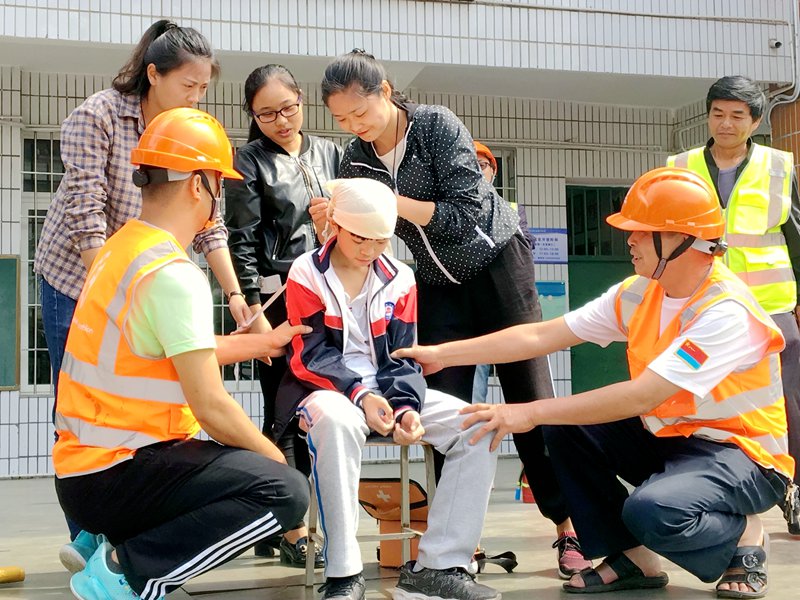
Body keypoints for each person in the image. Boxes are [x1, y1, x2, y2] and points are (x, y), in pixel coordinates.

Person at [395, 167, 794, 598]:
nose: (630, 240)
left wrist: (527, 412)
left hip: (742, 454)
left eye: (641, 231)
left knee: (654, 511)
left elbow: (644, 395)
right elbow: (540, 334)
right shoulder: (639, 292)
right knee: (564, 427)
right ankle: (634, 558)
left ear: (680, 238)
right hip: (671, 437)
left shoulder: (725, 311)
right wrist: (441, 354)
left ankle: (742, 536)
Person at [316, 49, 590, 578]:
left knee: (529, 396)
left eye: (361, 113)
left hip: (496, 266)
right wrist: (337, 221)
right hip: (437, 284)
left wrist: (386, 204)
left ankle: (568, 524)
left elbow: (465, 214)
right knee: (447, 406)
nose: (355, 127)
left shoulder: (436, 126)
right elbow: (365, 235)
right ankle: (454, 543)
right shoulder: (356, 159)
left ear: (386, 92)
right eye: (343, 119)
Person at [53, 107, 310, 600]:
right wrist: (277, 458)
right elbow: (211, 407)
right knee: (283, 491)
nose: (221, 198)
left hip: (85, 470)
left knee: (244, 467)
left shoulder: (121, 249)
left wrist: (257, 342)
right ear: (199, 185)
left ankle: (105, 543)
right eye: (220, 184)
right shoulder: (175, 274)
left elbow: (162, 347)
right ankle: (125, 572)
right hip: (121, 470)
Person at [33, 19, 250, 561]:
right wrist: (109, 289)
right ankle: (87, 533)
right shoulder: (99, 116)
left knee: (146, 397)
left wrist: (236, 295)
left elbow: (209, 223)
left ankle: (127, 526)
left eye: (204, 88)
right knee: (83, 403)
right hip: (78, 278)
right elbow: (85, 214)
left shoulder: (191, 128)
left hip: (143, 275)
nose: (197, 97)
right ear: (153, 74)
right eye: (188, 85)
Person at [276, 178, 500, 600]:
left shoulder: (400, 277)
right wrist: (362, 397)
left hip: (387, 390)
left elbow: (402, 352)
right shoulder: (307, 271)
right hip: (329, 390)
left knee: (480, 426)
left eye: (381, 240)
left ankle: (440, 566)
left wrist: (405, 408)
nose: (369, 249)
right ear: (336, 226)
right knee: (336, 423)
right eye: (360, 238)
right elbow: (310, 355)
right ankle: (344, 574)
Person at [667, 75, 800, 534]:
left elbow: (796, 237)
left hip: (770, 304)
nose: (726, 123)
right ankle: (707, 488)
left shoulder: (780, 166)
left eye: (737, 115)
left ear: (755, 121)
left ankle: (793, 488)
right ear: (707, 116)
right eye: (718, 113)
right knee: (702, 396)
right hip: (703, 304)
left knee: (787, 401)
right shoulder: (680, 165)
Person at [225, 64, 342, 566]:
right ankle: (292, 529)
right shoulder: (250, 161)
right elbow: (241, 240)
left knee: (323, 406)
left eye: (288, 108)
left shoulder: (331, 153)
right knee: (282, 411)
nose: (280, 120)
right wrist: (252, 309)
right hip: (277, 302)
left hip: (330, 296)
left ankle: (280, 521)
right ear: (252, 115)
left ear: (302, 99)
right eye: (266, 113)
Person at [471, 141, 536, 404]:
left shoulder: (511, 209)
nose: (477, 169)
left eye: (483, 164)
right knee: (472, 391)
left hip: (507, 305)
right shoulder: (452, 207)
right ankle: (469, 445)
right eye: (471, 163)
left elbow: (525, 246)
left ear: (493, 172)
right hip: (470, 309)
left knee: (526, 383)